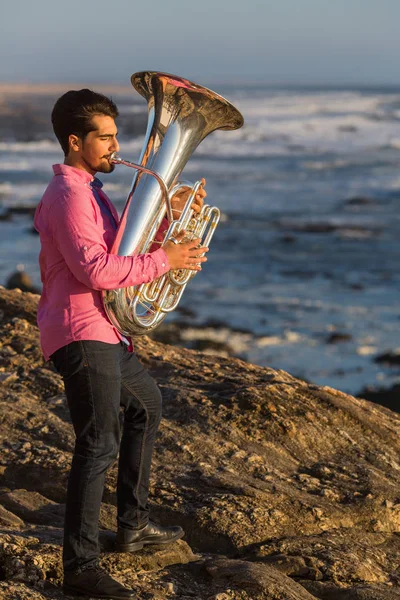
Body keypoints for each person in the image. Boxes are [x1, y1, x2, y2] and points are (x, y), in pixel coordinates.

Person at [34, 88, 208, 600]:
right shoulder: (68, 196)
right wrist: (166, 261)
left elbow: (120, 256)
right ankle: (81, 566)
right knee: (98, 443)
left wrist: (167, 229)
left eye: (115, 135)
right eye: (104, 137)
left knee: (147, 407)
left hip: (103, 328)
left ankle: (132, 527)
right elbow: (98, 271)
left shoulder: (90, 190)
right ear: (74, 140)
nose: (116, 145)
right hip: (80, 330)